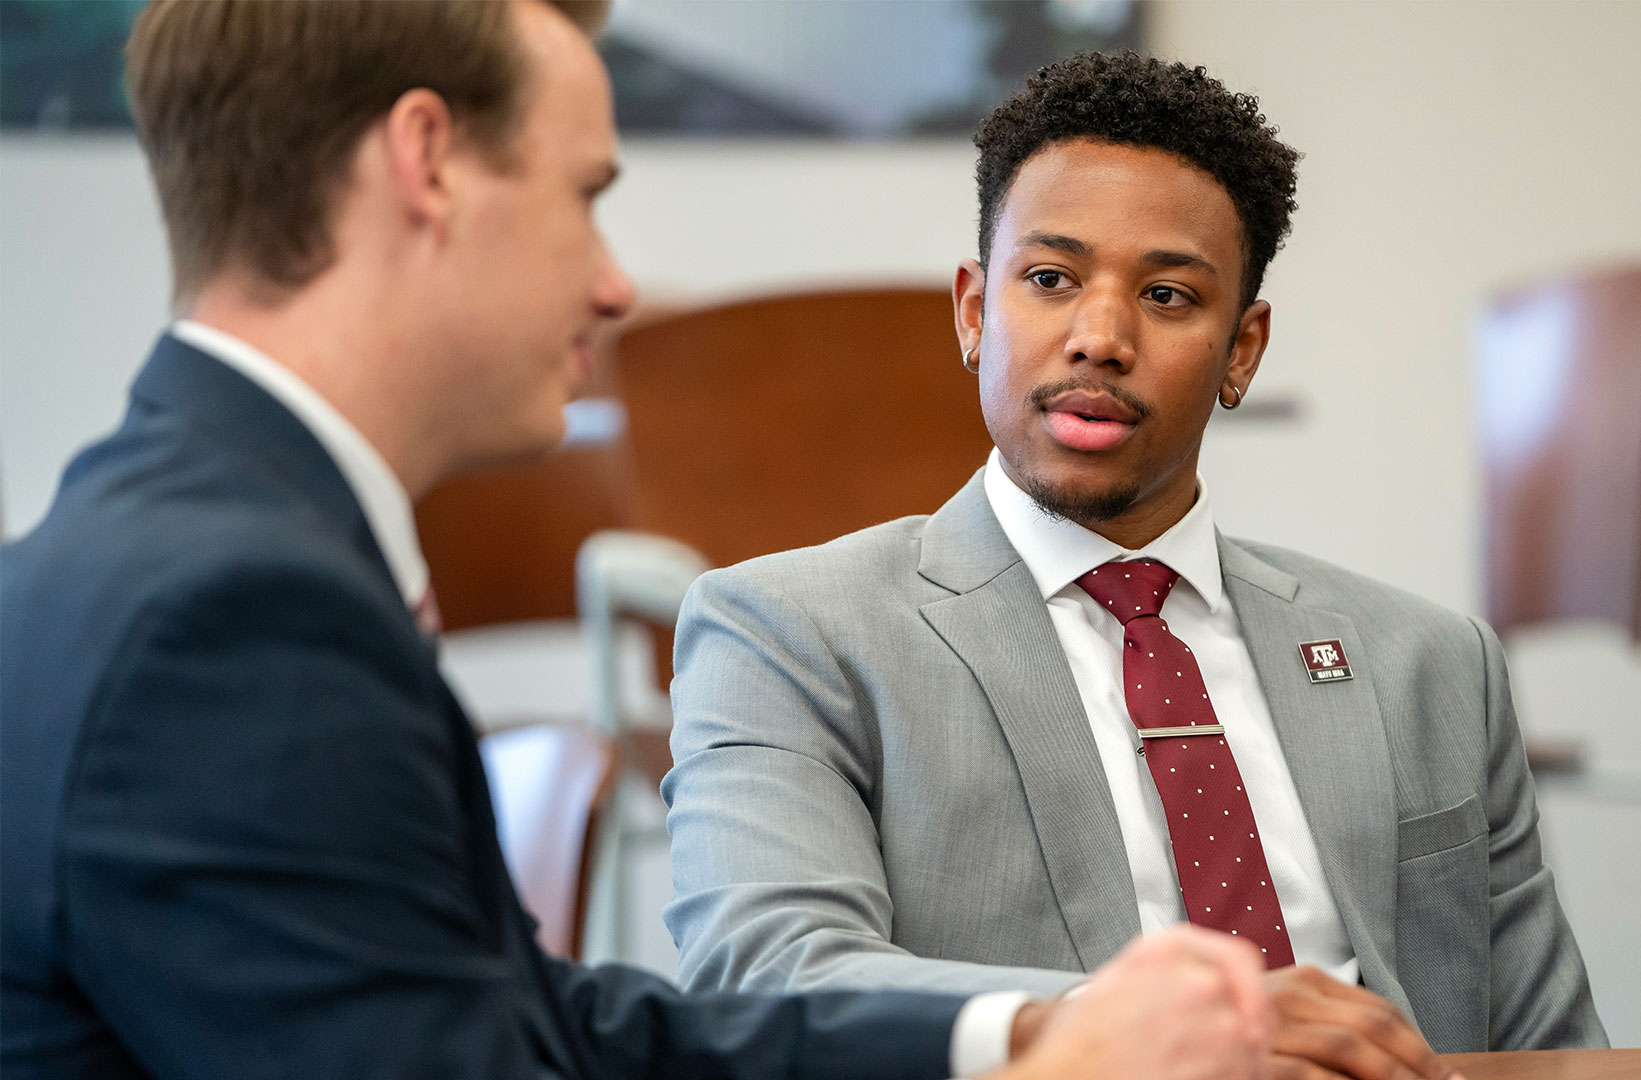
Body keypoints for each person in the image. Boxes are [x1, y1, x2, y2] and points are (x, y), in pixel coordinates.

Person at [0, 5, 1286, 1078]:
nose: (615, 285)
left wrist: (1012, 1041)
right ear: (427, 162)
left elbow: (527, 1031)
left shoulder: (173, 552)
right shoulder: (233, 617)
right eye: (585, 195)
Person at [663, 50, 1609, 1064]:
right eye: (1050, 279)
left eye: (1166, 297)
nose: (1100, 336)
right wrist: (1134, 1035)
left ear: (1241, 350)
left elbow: (1552, 1049)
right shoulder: (790, 636)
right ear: (975, 312)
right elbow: (765, 976)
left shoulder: (1431, 664)